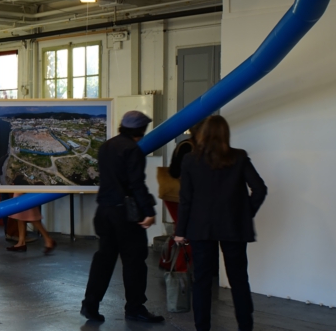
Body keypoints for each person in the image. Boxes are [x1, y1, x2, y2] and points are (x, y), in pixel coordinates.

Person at [174, 115, 267, 331]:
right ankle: (245, 326)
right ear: (226, 134)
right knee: (239, 280)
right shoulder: (239, 157)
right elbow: (260, 189)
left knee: (202, 281)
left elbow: (185, 199)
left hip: (200, 227)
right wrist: (245, 214)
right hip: (233, 227)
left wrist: (180, 231)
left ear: (203, 134)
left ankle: (202, 327)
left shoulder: (190, 160)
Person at [81, 110, 165, 324]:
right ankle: (135, 308)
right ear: (141, 130)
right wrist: (149, 211)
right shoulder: (132, 150)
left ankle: (90, 305)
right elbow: (136, 185)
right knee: (134, 261)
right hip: (125, 214)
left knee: (103, 260)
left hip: (104, 211)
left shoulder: (106, 146)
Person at [5, 189, 56, 254]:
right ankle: (21, 242)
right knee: (21, 214)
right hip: (20, 187)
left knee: (31, 216)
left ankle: (48, 239)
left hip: (23, 188)